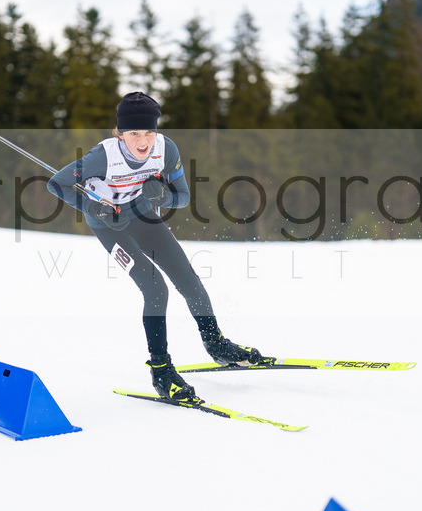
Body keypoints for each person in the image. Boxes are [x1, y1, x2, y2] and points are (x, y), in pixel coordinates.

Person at [47, 92, 271, 401]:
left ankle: (216, 344)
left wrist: (161, 196)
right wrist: (90, 207)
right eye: (134, 133)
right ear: (120, 132)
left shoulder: (166, 150)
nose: (143, 141)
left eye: (149, 132)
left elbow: (182, 197)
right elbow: (55, 184)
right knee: (155, 289)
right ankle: (162, 371)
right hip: (109, 227)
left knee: (188, 281)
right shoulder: (102, 157)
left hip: (141, 216)